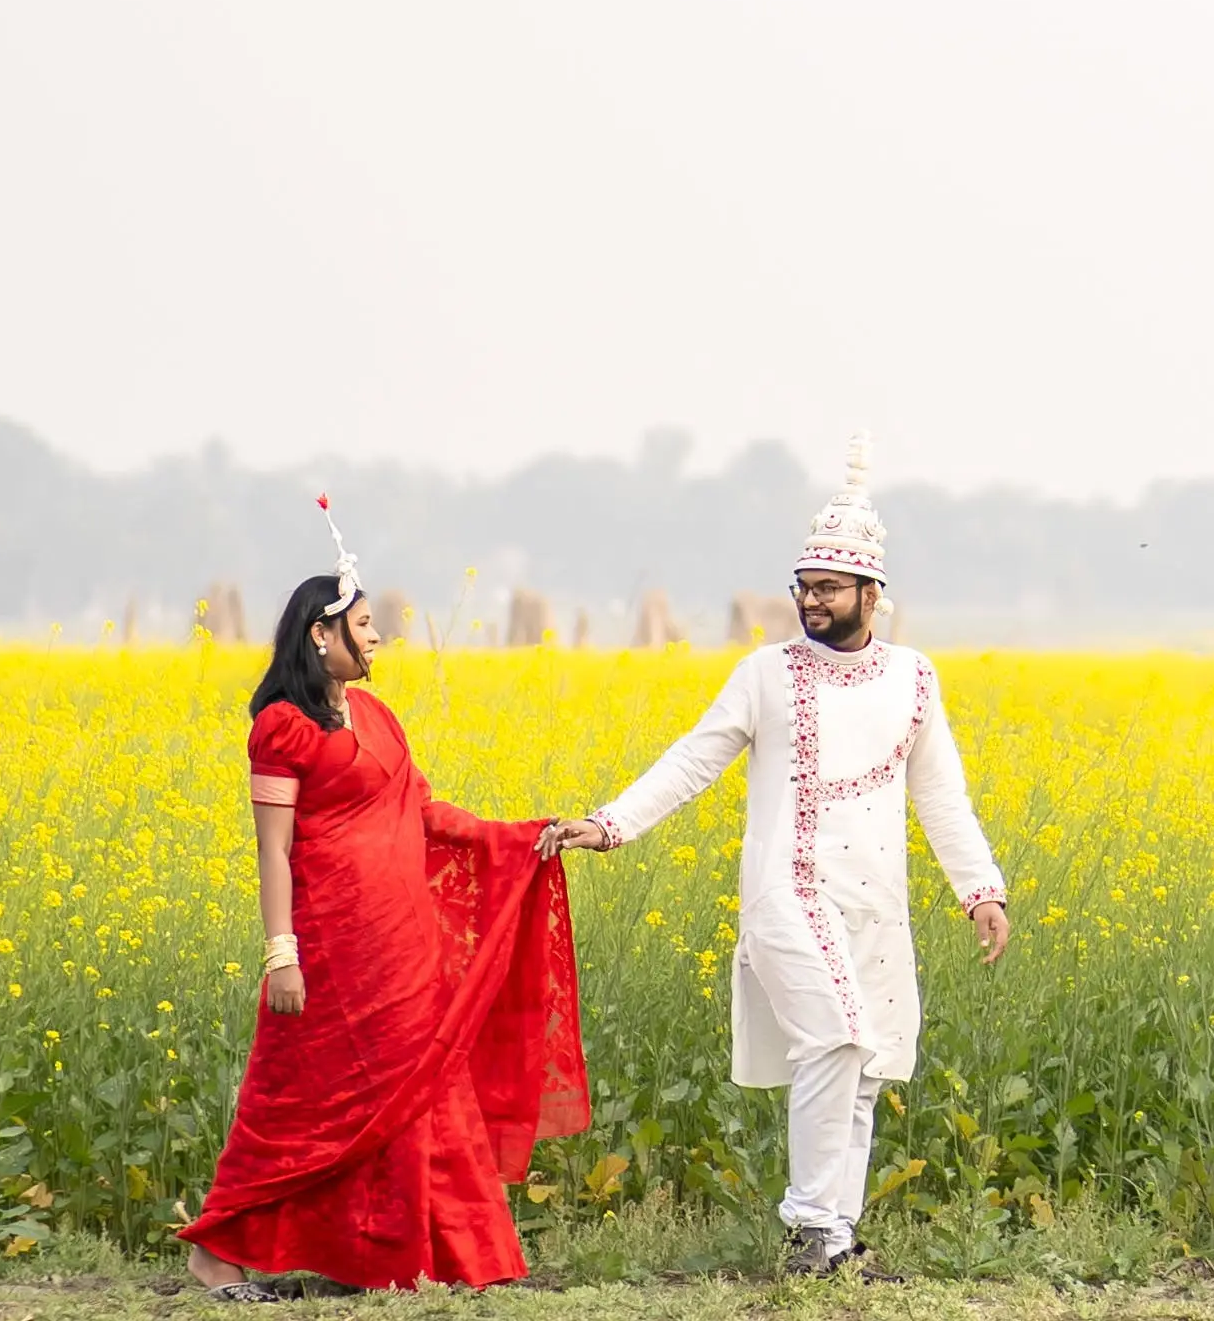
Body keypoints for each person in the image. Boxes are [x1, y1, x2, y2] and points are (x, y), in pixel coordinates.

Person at [561, 443, 1009, 1279]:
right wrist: (611, 823)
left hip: (875, 900)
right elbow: (695, 759)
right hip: (787, 895)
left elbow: (941, 796)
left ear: (872, 594)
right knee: (838, 1037)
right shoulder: (766, 675)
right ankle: (811, 1226)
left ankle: (837, 1233)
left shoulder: (914, 679)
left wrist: (981, 890)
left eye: (830, 589)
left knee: (866, 1064)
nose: (812, 601)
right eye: (805, 586)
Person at [182, 569, 602, 1294]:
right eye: (367, 625)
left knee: (419, 1093)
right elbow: (272, 849)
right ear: (322, 633)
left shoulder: (376, 716)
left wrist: (519, 837)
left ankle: (411, 1257)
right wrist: (282, 955)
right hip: (328, 949)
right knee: (297, 1101)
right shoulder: (280, 726)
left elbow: (426, 813)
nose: (380, 638)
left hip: (400, 951)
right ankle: (215, 1253)